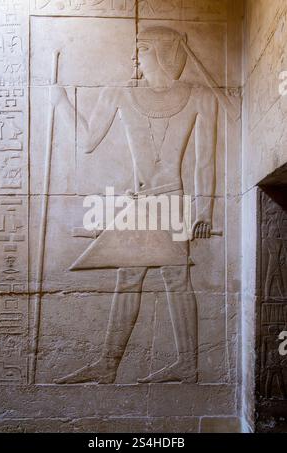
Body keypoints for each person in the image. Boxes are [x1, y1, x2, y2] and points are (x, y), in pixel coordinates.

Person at [51, 26, 218, 384]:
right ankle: (111, 365)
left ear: (161, 52)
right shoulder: (121, 93)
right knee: (132, 278)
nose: (134, 57)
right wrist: (61, 102)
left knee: (174, 280)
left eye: (141, 49)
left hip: (171, 200)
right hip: (145, 201)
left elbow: (206, 162)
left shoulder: (200, 96)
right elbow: (86, 142)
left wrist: (205, 211)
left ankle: (180, 365)